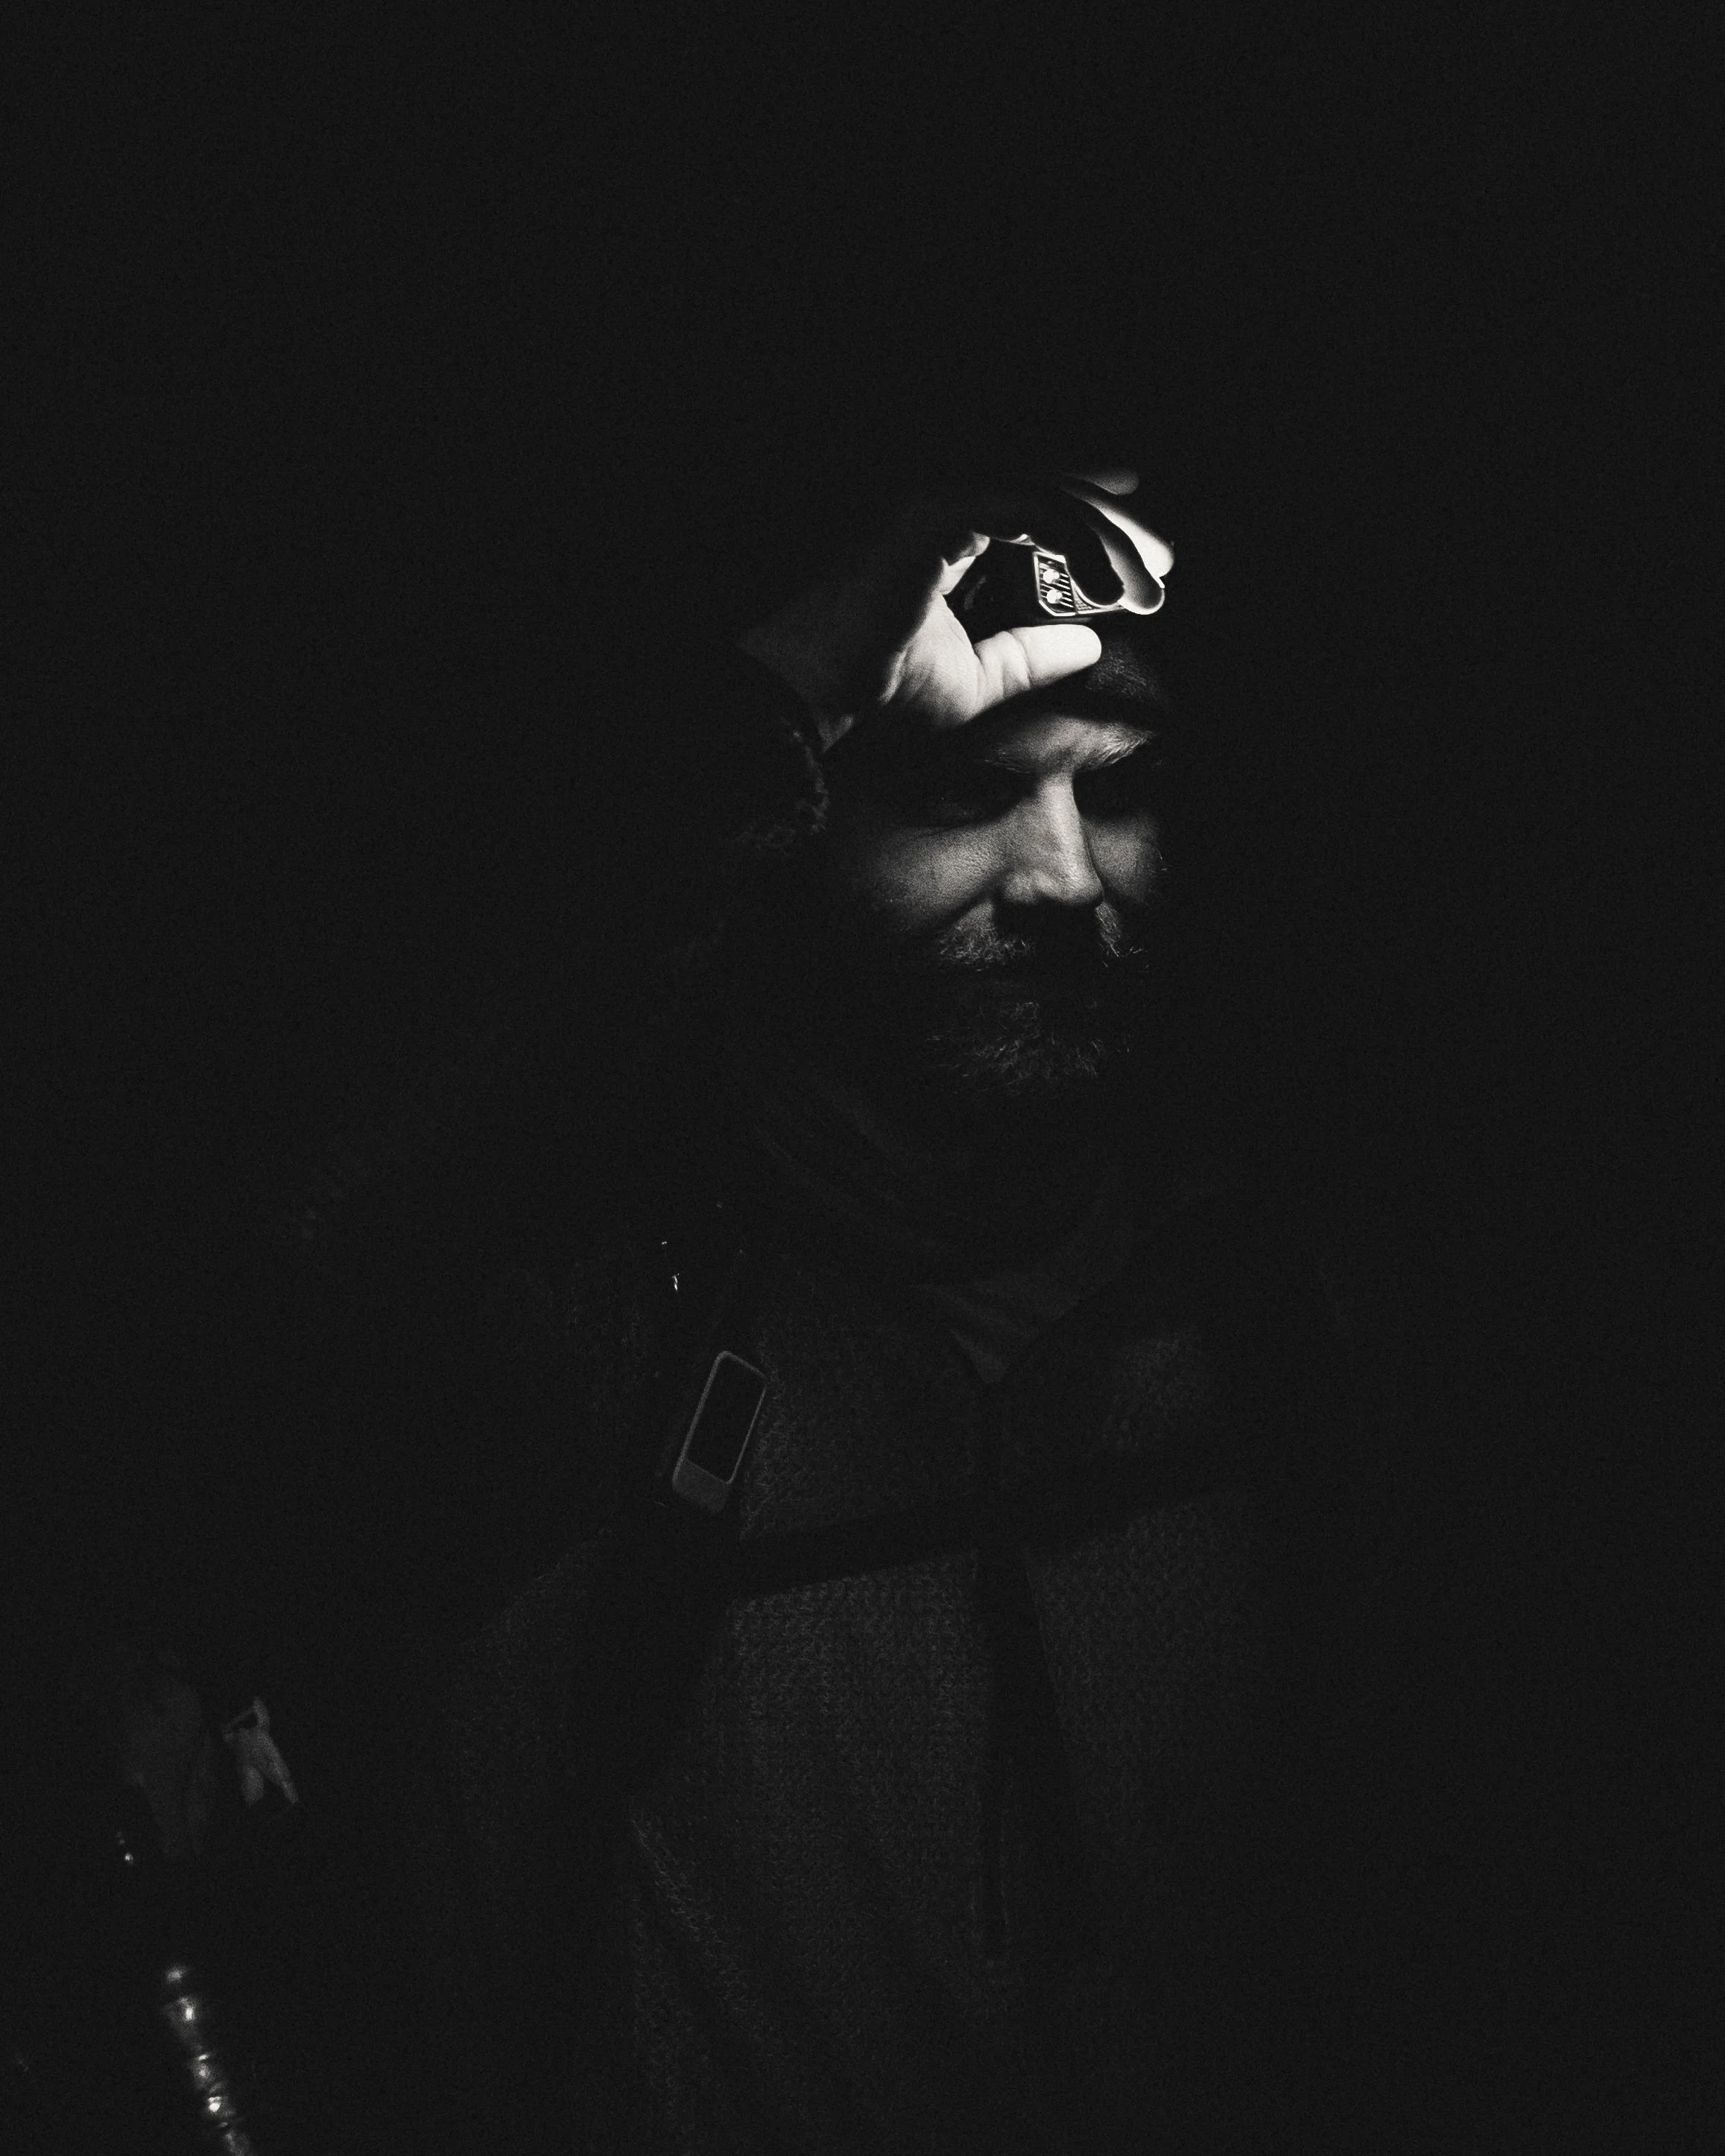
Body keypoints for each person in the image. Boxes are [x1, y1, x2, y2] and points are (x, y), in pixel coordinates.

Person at [19, 460, 1506, 2153]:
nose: (1063, 874)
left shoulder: (1274, 1319)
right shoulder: (592, 1331)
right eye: (958, 791)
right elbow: (235, 1315)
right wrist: (782, 693)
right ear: (788, 831)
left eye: (1121, 786)